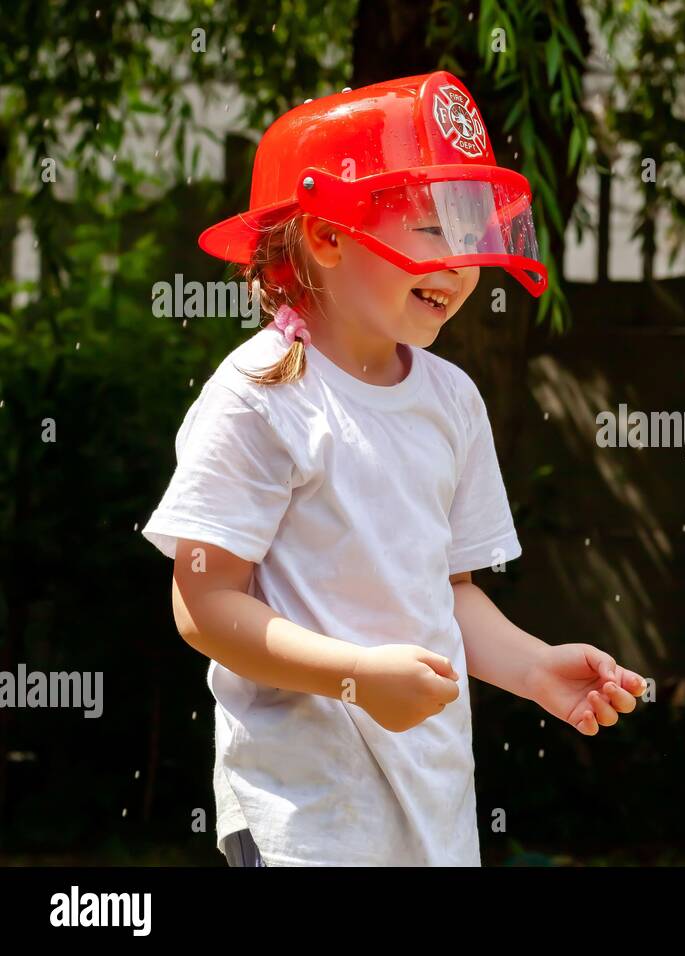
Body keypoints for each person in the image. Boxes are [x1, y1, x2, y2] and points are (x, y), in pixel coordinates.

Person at [141, 71, 646, 866]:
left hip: (432, 807)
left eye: (470, 226)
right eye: (431, 226)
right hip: (305, 813)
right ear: (329, 236)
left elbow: (449, 593)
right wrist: (354, 676)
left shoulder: (451, 400)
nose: (461, 262)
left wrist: (534, 670)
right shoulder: (261, 396)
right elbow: (203, 606)